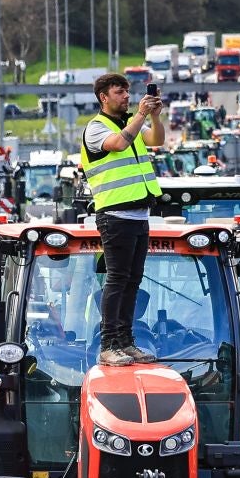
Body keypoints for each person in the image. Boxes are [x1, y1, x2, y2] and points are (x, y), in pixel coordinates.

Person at [82, 73, 165, 366]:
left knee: (132, 281)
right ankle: (108, 344)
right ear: (104, 97)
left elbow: (157, 139)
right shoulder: (95, 128)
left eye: (128, 91)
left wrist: (153, 117)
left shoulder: (128, 123)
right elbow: (117, 144)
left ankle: (126, 342)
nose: (126, 96)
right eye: (120, 92)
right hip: (114, 215)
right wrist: (140, 114)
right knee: (117, 280)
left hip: (139, 214)